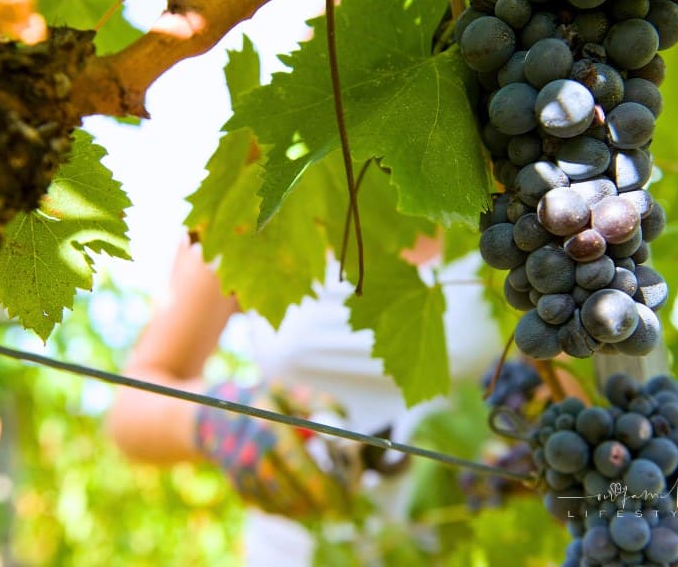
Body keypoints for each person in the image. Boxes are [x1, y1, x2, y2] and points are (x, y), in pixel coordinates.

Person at [107, 233, 500, 564]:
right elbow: (129, 411)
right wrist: (215, 419)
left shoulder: (516, 194)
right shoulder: (252, 200)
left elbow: (560, 428)